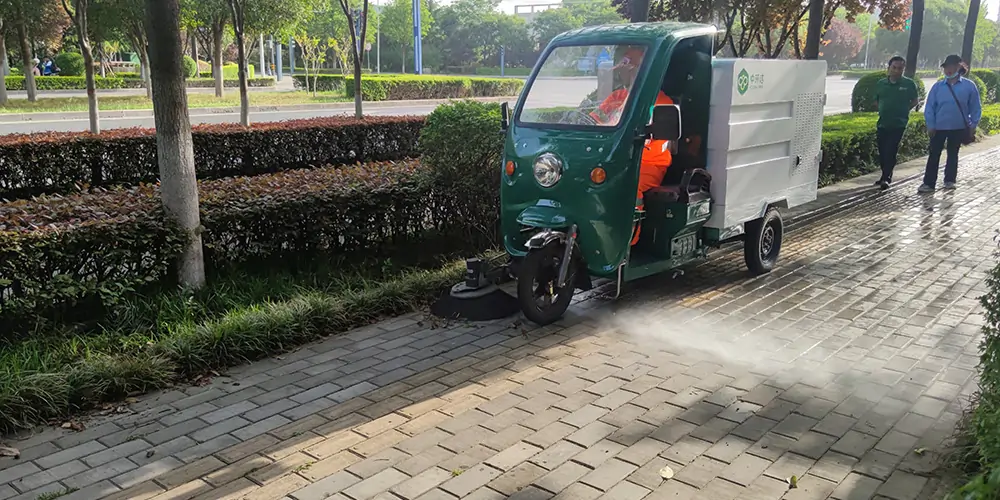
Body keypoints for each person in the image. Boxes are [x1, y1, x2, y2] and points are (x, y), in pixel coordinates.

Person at [589, 46, 675, 245]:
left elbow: (650, 139)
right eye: (622, 70)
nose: (624, 74)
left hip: (648, 161)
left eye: (630, 70)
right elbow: (594, 120)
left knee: (629, 187)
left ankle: (625, 244)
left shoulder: (661, 101)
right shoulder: (617, 97)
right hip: (615, 158)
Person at [919, 54, 981, 193]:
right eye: (946, 67)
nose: (948, 70)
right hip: (939, 127)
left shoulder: (969, 86)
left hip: (958, 127)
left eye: (952, 67)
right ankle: (929, 183)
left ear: (958, 67)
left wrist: (973, 125)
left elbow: (975, 107)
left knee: (953, 154)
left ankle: (950, 180)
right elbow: (930, 108)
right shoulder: (938, 87)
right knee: (934, 154)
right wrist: (931, 125)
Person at [873, 56, 919, 190]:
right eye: (894, 67)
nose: (897, 71)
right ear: (889, 68)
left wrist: (903, 110)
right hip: (882, 122)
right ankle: (883, 175)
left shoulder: (909, 84)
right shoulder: (881, 83)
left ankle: (887, 178)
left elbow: (915, 101)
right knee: (882, 151)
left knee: (890, 150)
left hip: (899, 123)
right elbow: (876, 100)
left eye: (900, 68)